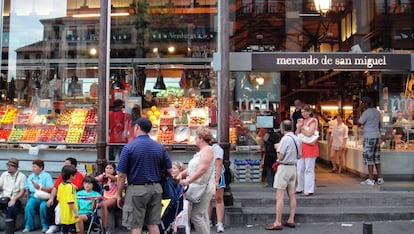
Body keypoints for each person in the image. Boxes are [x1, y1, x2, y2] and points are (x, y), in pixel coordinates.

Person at [117, 117, 172, 234]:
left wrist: (118, 194)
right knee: (153, 224)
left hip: (136, 189)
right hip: (156, 188)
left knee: (135, 225)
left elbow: (121, 175)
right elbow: (170, 169)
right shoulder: (159, 147)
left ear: (137, 127)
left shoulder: (129, 147)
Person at [177, 126, 215, 234]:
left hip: (203, 187)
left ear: (201, 138)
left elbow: (202, 169)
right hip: (200, 186)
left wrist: (189, 181)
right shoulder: (203, 150)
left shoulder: (207, 150)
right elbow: (192, 169)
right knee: (202, 215)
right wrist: (182, 174)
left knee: (196, 216)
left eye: (196, 137)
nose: (195, 139)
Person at [265, 120, 301, 230]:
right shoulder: (297, 139)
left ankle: (278, 222)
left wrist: (277, 148)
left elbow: (280, 156)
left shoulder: (285, 139)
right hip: (293, 167)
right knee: (292, 194)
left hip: (284, 167)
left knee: (279, 196)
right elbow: (299, 156)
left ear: (282, 128)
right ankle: (291, 219)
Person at [46, 157, 84, 234]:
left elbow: (60, 197)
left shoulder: (62, 185)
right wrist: (51, 198)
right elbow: (70, 201)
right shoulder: (69, 185)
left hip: (64, 213)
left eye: (67, 164)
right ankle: (53, 225)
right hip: (70, 215)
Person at [358, 96, 384, 186]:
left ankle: (371, 179)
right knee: (377, 158)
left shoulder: (366, 113)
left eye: (362, 103)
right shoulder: (377, 112)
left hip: (369, 137)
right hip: (377, 136)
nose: (361, 105)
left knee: (369, 159)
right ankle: (380, 178)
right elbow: (380, 124)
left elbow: (359, 123)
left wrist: (358, 111)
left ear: (365, 104)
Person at [22, 160, 54, 233]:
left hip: (44, 196)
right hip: (34, 196)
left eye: (35, 167)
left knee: (43, 207)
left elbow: (50, 188)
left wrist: (39, 187)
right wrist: (26, 192)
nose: (33, 168)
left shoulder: (46, 176)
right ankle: (29, 226)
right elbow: (27, 187)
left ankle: (45, 226)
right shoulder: (31, 176)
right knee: (29, 206)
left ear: (41, 168)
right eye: (32, 167)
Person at [295, 104, 319, 196]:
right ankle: (300, 187)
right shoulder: (301, 121)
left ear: (309, 112)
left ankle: (309, 189)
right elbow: (296, 133)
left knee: (308, 169)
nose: (303, 113)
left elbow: (310, 134)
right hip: (302, 147)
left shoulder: (313, 121)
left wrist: (301, 128)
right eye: (302, 112)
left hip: (310, 148)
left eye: (305, 111)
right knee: (299, 169)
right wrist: (299, 127)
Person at [0, 157, 27, 229]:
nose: (8, 167)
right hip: (4, 197)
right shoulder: (4, 174)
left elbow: (22, 191)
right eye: (8, 165)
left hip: (15, 198)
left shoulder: (22, 176)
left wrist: (14, 199)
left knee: (12, 208)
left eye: (10, 166)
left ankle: (10, 227)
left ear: (15, 167)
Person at [95, 162, 118, 233]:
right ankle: (94, 223)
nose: (108, 170)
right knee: (95, 203)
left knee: (104, 204)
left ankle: (105, 228)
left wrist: (107, 175)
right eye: (107, 168)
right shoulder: (104, 177)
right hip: (105, 198)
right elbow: (95, 179)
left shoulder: (116, 177)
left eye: (110, 168)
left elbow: (114, 178)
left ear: (114, 170)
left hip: (114, 198)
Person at [208, 141, 226, 233]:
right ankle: (208, 221)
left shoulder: (217, 149)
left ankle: (219, 223)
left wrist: (216, 180)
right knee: (207, 199)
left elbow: (219, 165)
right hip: (207, 175)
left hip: (216, 174)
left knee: (218, 198)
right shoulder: (205, 148)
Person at [57, 165, 79, 234]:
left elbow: (58, 198)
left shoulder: (60, 185)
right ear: (71, 176)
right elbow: (70, 202)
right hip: (71, 217)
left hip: (63, 216)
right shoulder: (70, 187)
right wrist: (75, 212)